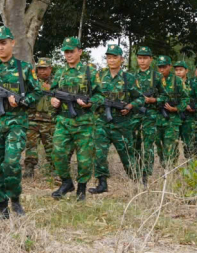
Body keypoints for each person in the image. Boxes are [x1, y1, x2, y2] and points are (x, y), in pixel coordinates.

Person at [0, 26, 42, 218]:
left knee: (11, 163)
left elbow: (37, 91)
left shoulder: (24, 68)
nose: (0, 47)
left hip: (16, 122)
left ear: (12, 43)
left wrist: (23, 101)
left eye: (3, 43)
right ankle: (2, 206)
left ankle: (15, 199)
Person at [49, 36, 104, 201]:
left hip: (84, 122)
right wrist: (53, 100)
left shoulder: (90, 72)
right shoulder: (60, 72)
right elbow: (52, 92)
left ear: (80, 51)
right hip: (63, 121)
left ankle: (81, 188)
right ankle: (66, 182)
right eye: (66, 52)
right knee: (57, 154)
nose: (68, 55)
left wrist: (89, 103)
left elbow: (101, 97)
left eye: (71, 51)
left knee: (84, 159)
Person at [90, 44, 143, 194]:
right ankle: (102, 184)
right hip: (102, 122)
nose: (111, 60)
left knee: (127, 155)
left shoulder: (129, 78)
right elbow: (92, 94)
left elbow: (140, 98)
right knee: (99, 153)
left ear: (122, 59)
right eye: (109, 57)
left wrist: (130, 106)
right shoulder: (99, 76)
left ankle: (137, 182)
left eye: (115, 57)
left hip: (122, 123)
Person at [132, 46, 166, 185]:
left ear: (151, 59)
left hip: (150, 114)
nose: (142, 61)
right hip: (134, 114)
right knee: (135, 143)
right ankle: (135, 170)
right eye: (140, 58)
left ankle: (146, 174)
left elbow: (164, 96)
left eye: (145, 58)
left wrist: (154, 100)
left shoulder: (157, 76)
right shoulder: (131, 76)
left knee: (148, 144)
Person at [154, 55, 189, 168]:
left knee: (170, 147)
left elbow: (185, 98)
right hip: (157, 119)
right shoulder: (153, 80)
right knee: (159, 146)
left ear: (169, 66)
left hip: (172, 120)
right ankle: (165, 165)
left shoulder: (177, 81)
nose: (161, 69)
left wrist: (176, 109)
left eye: (164, 67)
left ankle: (169, 170)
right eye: (159, 67)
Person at [23, 58, 55, 178]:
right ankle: (29, 170)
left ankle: (54, 170)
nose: (42, 71)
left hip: (50, 121)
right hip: (32, 119)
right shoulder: (31, 82)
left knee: (51, 147)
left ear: (50, 69)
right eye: (40, 69)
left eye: (45, 68)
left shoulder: (56, 82)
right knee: (31, 146)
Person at [175, 61, 197, 161]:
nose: (178, 72)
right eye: (176, 70)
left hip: (188, 119)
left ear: (186, 71)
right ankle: (171, 167)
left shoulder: (193, 84)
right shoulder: (171, 83)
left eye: (181, 70)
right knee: (173, 144)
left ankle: (192, 167)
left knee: (189, 144)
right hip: (174, 117)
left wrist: (193, 107)